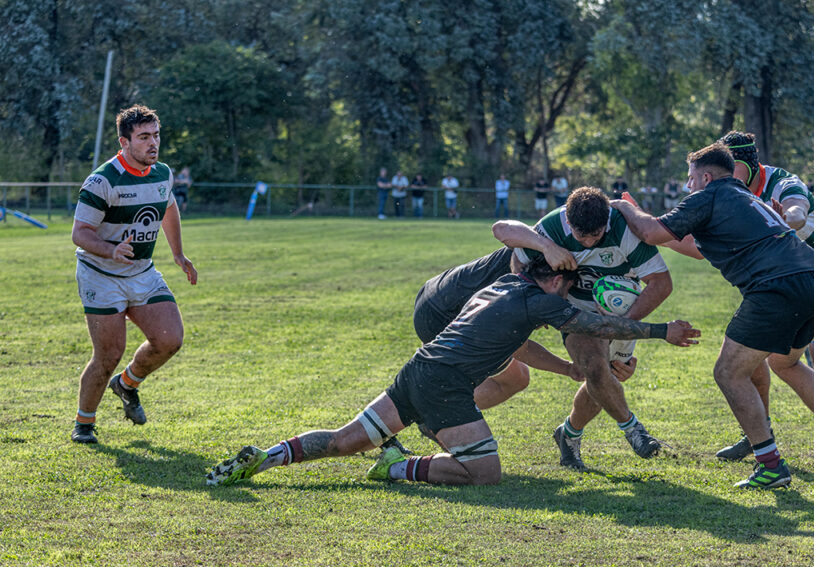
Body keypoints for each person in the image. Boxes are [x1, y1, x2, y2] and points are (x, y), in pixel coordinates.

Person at [206, 258, 699, 487]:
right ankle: (396, 466)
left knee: (343, 439)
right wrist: (659, 330)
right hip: (444, 386)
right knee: (484, 473)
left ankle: (266, 458)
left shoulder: (506, 285)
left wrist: (572, 370)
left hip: (419, 371)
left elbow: (517, 345)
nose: (568, 293)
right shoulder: (538, 299)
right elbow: (593, 322)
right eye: (567, 284)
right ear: (550, 278)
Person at [612, 142, 814, 487]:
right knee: (785, 362)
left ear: (705, 176)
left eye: (690, 179)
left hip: (777, 286)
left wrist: (625, 209)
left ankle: (771, 465)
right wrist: (645, 220)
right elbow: (686, 244)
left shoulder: (708, 196)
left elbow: (653, 230)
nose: (687, 187)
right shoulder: (746, 199)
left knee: (728, 372)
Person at [494, 187, 676, 469]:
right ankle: (633, 429)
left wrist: (621, 325)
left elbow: (661, 284)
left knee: (607, 378)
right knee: (594, 366)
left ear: (607, 222)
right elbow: (519, 263)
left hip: (622, 312)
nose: (590, 243)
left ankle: (568, 433)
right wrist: (540, 303)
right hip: (574, 312)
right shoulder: (552, 229)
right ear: (569, 221)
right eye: (582, 236)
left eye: (597, 235)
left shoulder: (623, 230)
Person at [715, 131, 814, 467]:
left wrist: (783, 218)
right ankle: (757, 433)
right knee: (752, 353)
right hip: (783, 276)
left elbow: (797, 211)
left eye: (730, 168)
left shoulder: (780, 181)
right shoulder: (728, 190)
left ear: (749, 165)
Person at [70, 104, 198, 444]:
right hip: (101, 274)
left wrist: (178, 254)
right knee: (109, 354)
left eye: (156, 135)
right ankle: (84, 423)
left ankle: (126, 385)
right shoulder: (102, 181)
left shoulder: (162, 173)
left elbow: (168, 207)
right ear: (124, 142)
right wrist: (110, 250)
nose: (152, 143)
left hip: (141, 272)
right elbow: (80, 233)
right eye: (143, 137)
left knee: (170, 339)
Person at [414, 245, 586, 418]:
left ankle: (419, 405)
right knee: (514, 380)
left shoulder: (532, 246)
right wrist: (568, 369)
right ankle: (428, 413)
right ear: (556, 281)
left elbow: (504, 229)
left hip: (435, 290)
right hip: (442, 315)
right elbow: (521, 350)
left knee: (428, 373)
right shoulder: (523, 297)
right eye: (565, 293)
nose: (564, 300)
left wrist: (541, 243)